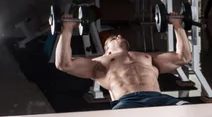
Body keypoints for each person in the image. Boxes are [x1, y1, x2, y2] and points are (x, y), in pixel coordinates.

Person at [54, 13, 192, 110]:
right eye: (114, 38)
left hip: (159, 98)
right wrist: (66, 29)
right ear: (107, 51)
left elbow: (184, 57)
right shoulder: (100, 62)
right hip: (128, 102)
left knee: (190, 111)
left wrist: (177, 25)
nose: (119, 35)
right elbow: (64, 64)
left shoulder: (146, 56)